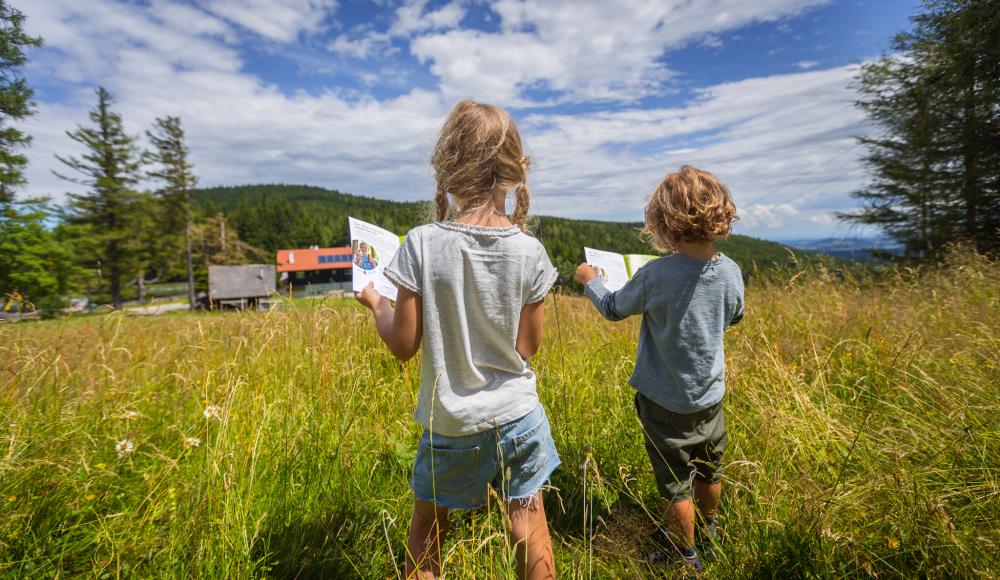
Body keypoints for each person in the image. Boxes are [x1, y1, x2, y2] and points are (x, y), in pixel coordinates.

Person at [355, 100, 560, 579]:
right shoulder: (530, 250)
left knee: (428, 529)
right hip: (520, 416)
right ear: (513, 169)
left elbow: (404, 345)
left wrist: (377, 304)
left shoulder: (422, 243)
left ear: (447, 161)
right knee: (530, 528)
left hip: (449, 423)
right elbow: (527, 347)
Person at [574, 166, 744, 572]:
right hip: (710, 397)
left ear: (664, 222)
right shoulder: (731, 271)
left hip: (663, 401)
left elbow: (614, 309)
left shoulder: (654, 274)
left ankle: (682, 557)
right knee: (709, 467)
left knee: (674, 484)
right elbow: (734, 317)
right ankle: (710, 531)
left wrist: (589, 281)